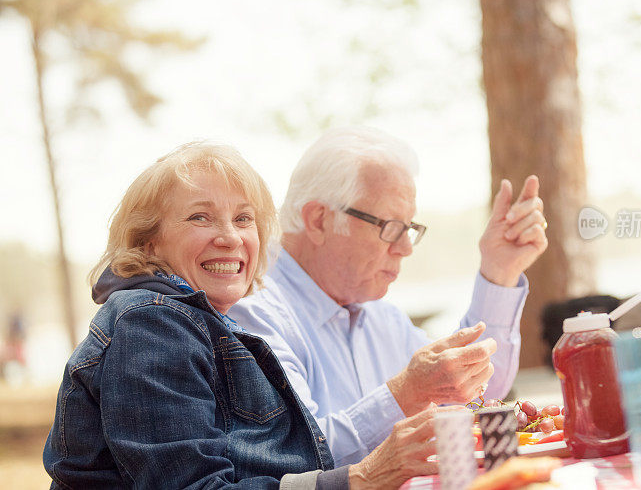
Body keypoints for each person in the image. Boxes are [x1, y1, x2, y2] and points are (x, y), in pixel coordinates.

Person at [43, 142, 441, 489]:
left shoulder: (202, 324)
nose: (230, 237)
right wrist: (365, 478)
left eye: (243, 219)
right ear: (150, 240)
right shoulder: (152, 325)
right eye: (200, 217)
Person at [229, 127, 548, 466]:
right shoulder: (251, 314)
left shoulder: (379, 315)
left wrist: (499, 272)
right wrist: (407, 392)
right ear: (319, 220)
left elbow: (477, 395)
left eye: (409, 228)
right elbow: (299, 460)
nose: (406, 248)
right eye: (391, 227)